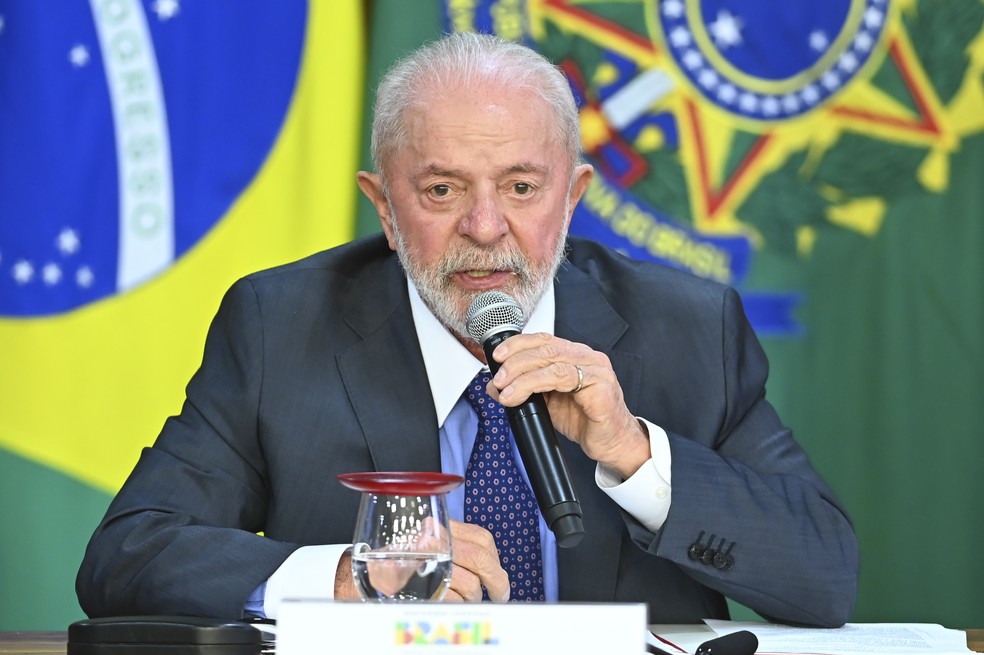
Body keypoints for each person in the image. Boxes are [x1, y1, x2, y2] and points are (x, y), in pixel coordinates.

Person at [76, 31, 858, 627]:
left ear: (572, 197)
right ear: (385, 208)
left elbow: (825, 575)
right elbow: (126, 555)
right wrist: (347, 576)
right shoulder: (279, 326)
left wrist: (634, 453)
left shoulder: (688, 326)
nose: (485, 228)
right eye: (442, 190)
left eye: (521, 187)